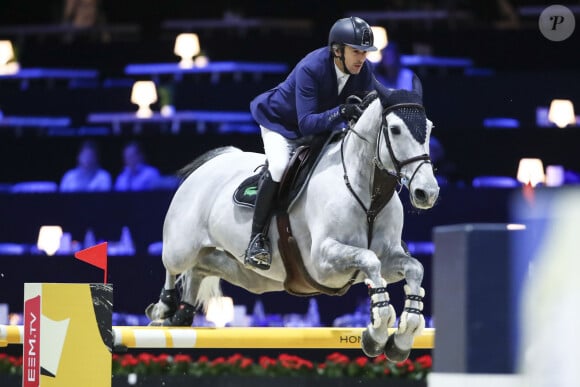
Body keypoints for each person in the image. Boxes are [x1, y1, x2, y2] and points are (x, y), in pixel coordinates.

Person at [245, 16, 395, 270]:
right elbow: (306, 124)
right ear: (337, 50)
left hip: (319, 128)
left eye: (365, 52)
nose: (362, 58)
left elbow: (382, 97)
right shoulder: (311, 68)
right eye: (356, 51)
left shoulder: (363, 71)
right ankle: (256, 240)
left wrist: (406, 102)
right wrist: (341, 112)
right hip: (281, 125)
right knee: (280, 167)